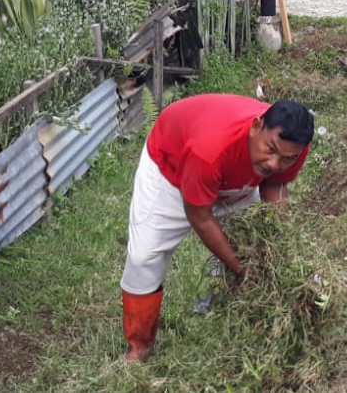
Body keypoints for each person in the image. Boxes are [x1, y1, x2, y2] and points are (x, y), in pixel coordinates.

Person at [121, 94, 314, 362]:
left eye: (287, 158)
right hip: (172, 172)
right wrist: (240, 267)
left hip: (235, 178)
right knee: (144, 257)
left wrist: (277, 239)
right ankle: (139, 344)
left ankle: (237, 317)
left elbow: (274, 185)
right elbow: (200, 216)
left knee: (253, 249)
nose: (274, 164)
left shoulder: (293, 147)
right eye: (270, 150)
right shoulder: (208, 148)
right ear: (257, 126)